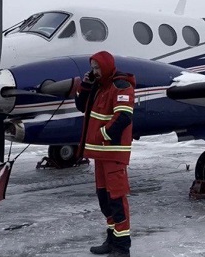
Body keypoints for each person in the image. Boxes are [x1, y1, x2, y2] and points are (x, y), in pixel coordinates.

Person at [75, 51, 136, 257]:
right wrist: (85, 85)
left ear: (107, 66)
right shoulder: (99, 88)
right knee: (104, 199)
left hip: (113, 153)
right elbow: (82, 106)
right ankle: (111, 240)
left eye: (98, 68)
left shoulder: (121, 87)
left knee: (117, 200)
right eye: (92, 68)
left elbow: (124, 116)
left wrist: (103, 133)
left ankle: (122, 247)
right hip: (99, 153)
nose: (95, 72)